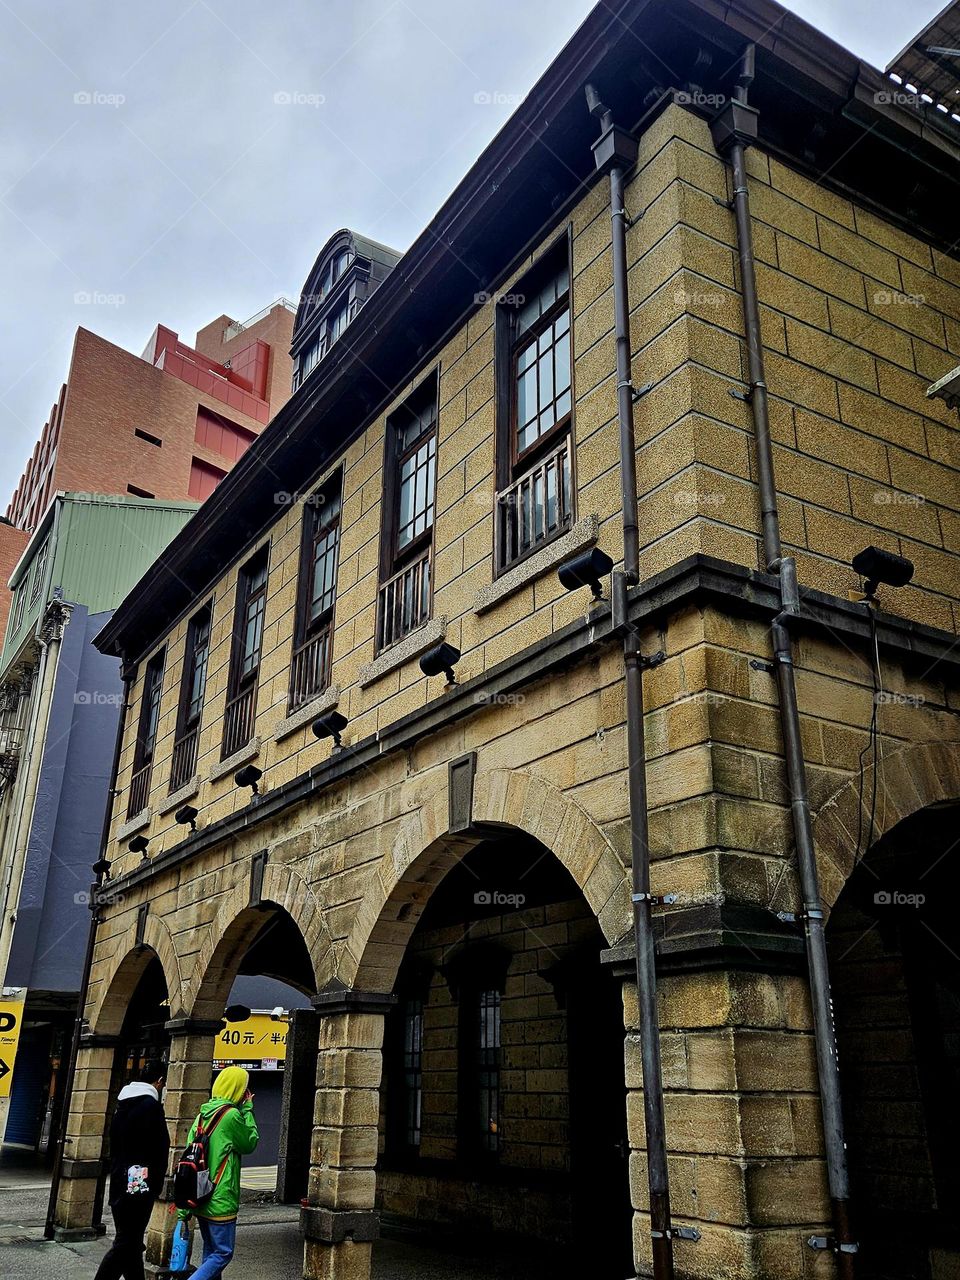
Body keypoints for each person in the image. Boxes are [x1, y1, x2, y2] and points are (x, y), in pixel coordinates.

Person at [177, 1065, 259, 1279]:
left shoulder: (202, 1115)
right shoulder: (231, 1116)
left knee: (210, 1253)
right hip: (220, 1197)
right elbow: (249, 1142)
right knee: (222, 1253)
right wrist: (248, 1109)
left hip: (201, 1195)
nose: (245, 1093)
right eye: (243, 1089)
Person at [95, 1060, 170, 1280]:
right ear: (160, 1081)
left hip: (120, 1180)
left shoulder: (123, 1105)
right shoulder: (151, 1107)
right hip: (140, 1183)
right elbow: (159, 1148)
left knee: (131, 1241)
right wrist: (155, 1184)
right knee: (126, 1244)